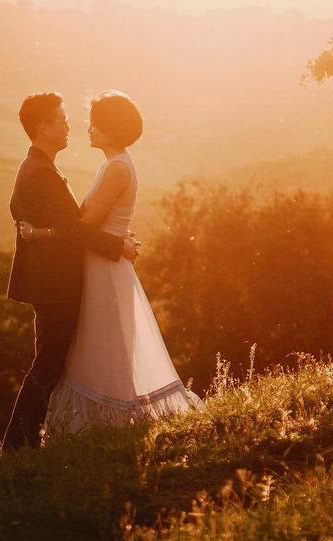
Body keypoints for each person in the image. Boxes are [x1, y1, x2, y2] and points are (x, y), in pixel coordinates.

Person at [18, 91, 201, 435]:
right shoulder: (112, 165)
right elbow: (83, 225)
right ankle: (103, 423)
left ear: (111, 129)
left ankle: (112, 421)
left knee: (107, 344)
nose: (87, 129)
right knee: (99, 344)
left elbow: (81, 227)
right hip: (101, 260)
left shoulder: (117, 168)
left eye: (95, 124)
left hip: (105, 266)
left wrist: (40, 233)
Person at [3, 92, 140, 451]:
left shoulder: (37, 166)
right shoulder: (41, 172)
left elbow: (23, 210)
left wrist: (35, 230)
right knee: (48, 365)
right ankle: (17, 444)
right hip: (54, 284)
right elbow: (75, 229)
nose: (69, 127)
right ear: (42, 128)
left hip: (51, 281)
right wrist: (117, 245)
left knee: (50, 363)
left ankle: (28, 439)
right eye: (61, 121)